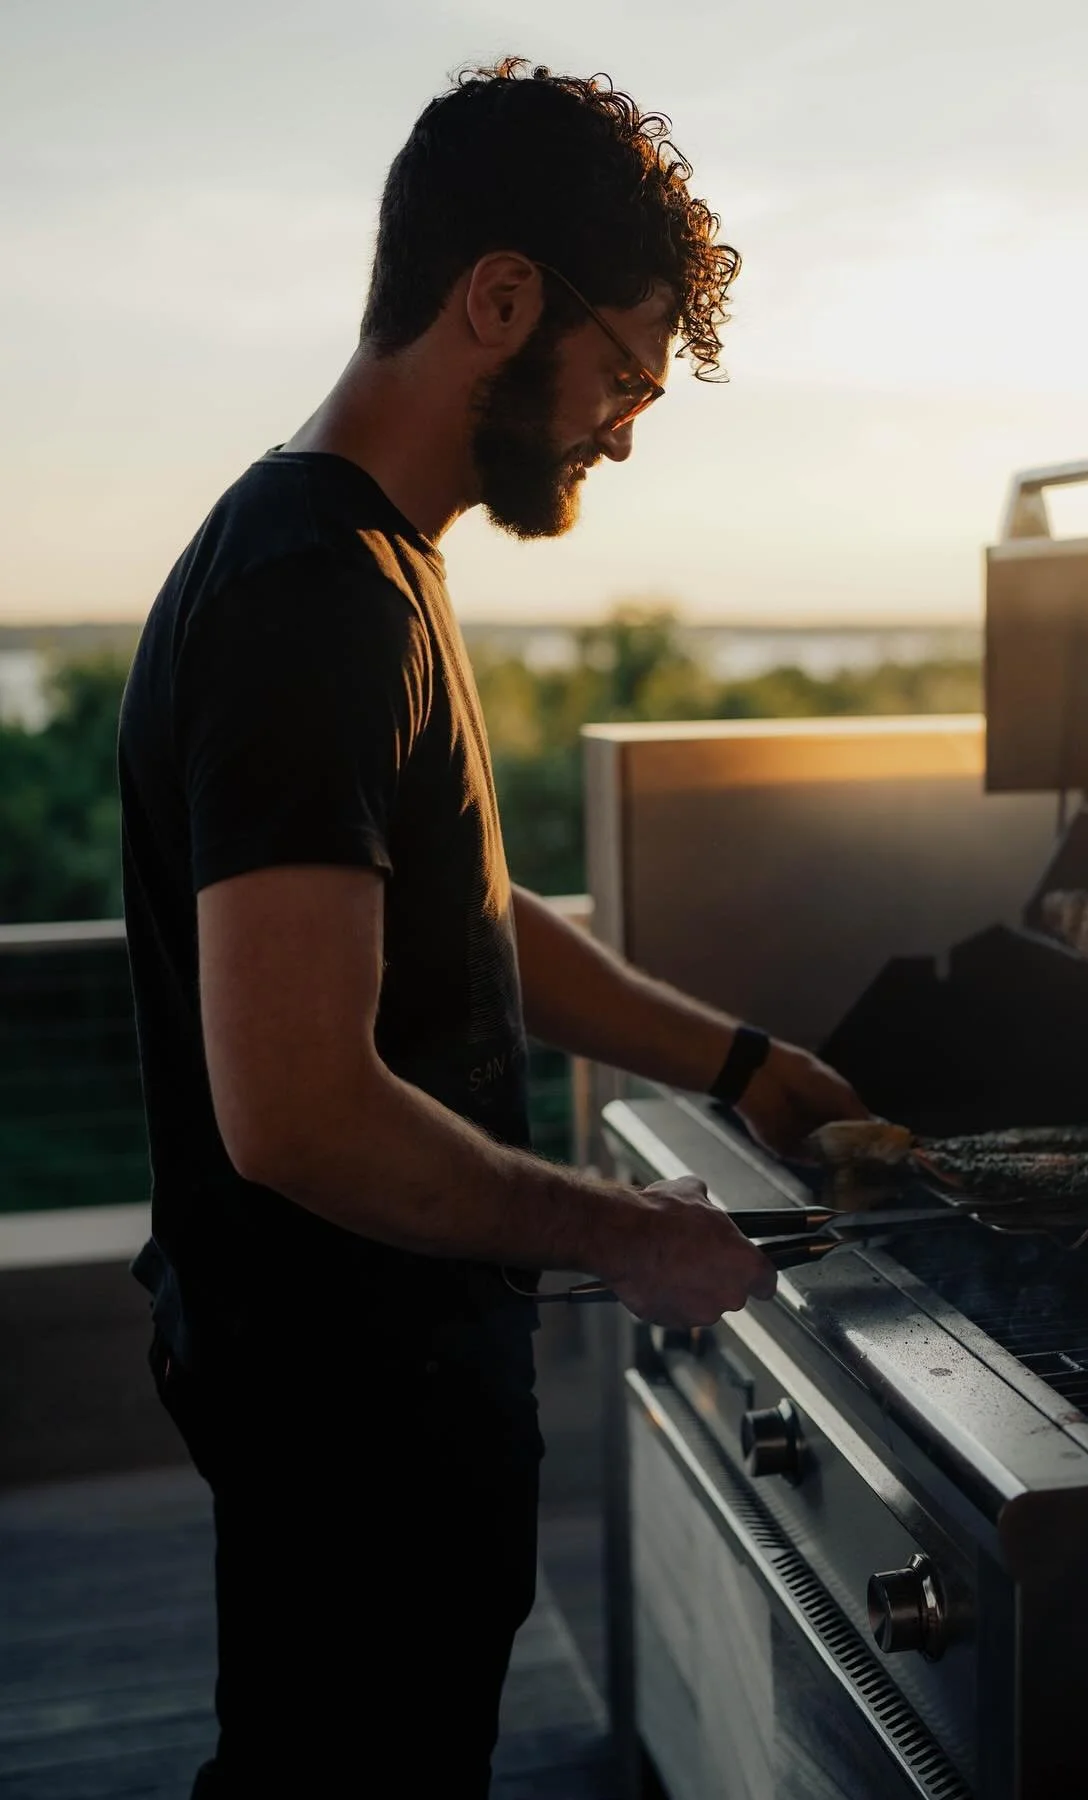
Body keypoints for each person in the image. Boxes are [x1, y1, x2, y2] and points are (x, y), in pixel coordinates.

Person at [118, 56, 868, 1800]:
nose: (622, 423)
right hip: (348, 1406)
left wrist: (743, 1067)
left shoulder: (360, 560)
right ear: (500, 300)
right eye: (621, 371)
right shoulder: (311, 597)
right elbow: (293, 1109)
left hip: (372, 1382)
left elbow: (466, 913)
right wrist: (624, 1234)